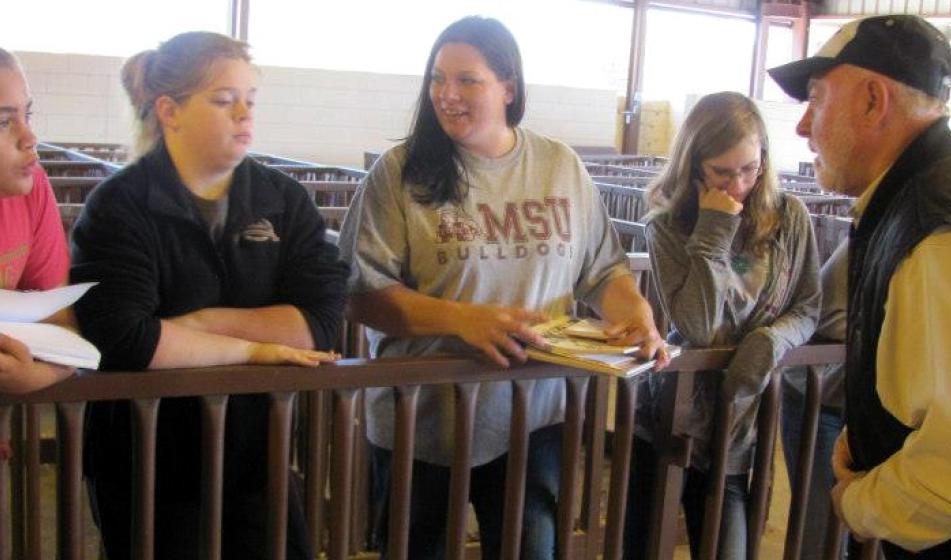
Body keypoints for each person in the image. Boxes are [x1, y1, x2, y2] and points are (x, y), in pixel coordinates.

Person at [338, 16, 669, 560]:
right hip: (422, 419)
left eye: (468, 80)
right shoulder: (400, 173)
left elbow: (603, 270)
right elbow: (360, 293)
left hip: (536, 412)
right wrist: (460, 319)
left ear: (508, 87)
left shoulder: (558, 166)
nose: (447, 94)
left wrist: (635, 313)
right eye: (438, 79)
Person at [70, 32, 348, 559]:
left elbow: (321, 319)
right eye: (224, 100)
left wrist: (193, 327)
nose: (244, 113)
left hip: (257, 451)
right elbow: (127, 339)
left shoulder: (281, 199)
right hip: (149, 455)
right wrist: (253, 348)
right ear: (170, 110)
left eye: (250, 99)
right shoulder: (118, 207)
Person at [769, 14, 951, 558]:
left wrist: (859, 504)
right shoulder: (929, 195)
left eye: (816, 99)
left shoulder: (940, 235)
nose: (804, 127)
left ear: (873, 101)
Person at [625, 91, 821, 559]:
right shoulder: (667, 227)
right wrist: (714, 227)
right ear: (695, 166)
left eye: (750, 169)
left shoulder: (790, 217)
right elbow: (697, 325)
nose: (738, 185)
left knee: (728, 546)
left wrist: (773, 340)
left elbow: (808, 306)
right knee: (644, 546)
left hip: (740, 422)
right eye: (722, 172)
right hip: (669, 420)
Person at [0, 47, 76, 394]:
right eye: (3, 122)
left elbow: (63, 326)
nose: (30, 138)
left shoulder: (32, 189)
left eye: (26, 115)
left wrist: (33, 377)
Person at [779, 238, 847, 560]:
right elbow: (822, 315)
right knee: (822, 521)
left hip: (866, 400)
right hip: (818, 391)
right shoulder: (892, 224)